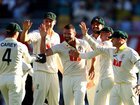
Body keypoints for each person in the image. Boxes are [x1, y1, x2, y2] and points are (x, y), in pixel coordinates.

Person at [70, 28, 140, 105]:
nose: (111, 40)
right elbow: (98, 47)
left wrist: (139, 84)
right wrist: (86, 35)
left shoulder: (131, 52)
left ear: (121, 39)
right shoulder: (112, 50)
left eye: (113, 38)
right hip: (116, 86)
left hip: (129, 86)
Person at [37, 23, 94, 105]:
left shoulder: (83, 43)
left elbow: (92, 55)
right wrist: (43, 37)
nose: (66, 36)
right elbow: (43, 53)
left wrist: (92, 67)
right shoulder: (60, 46)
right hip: (67, 77)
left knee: (79, 102)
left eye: (69, 34)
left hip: (81, 77)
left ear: (74, 33)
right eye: (65, 33)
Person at [20, 12, 61, 105]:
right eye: (46, 21)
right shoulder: (37, 33)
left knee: (55, 102)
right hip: (40, 71)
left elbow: (57, 56)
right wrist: (25, 30)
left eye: (51, 21)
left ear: (54, 22)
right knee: (38, 101)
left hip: (54, 73)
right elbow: (24, 39)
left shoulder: (56, 36)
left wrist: (62, 70)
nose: (48, 23)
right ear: (43, 21)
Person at [70, 24, 114, 105]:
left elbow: (96, 46)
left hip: (106, 78)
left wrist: (86, 35)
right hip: (105, 78)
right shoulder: (104, 47)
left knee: (98, 103)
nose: (100, 36)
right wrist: (78, 55)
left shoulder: (107, 44)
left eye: (102, 34)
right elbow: (90, 55)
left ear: (109, 35)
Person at [0, 22, 34, 105]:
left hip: (2, 80)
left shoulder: (0, 45)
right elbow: (29, 60)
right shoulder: (20, 46)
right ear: (16, 33)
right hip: (15, 79)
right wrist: (37, 57)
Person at [86, 16, 105, 105]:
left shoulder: (107, 40)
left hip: (103, 75)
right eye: (93, 24)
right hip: (90, 75)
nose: (95, 26)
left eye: (98, 24)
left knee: (104, 102)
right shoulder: (86, 39)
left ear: (103, 27)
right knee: (92, 101)